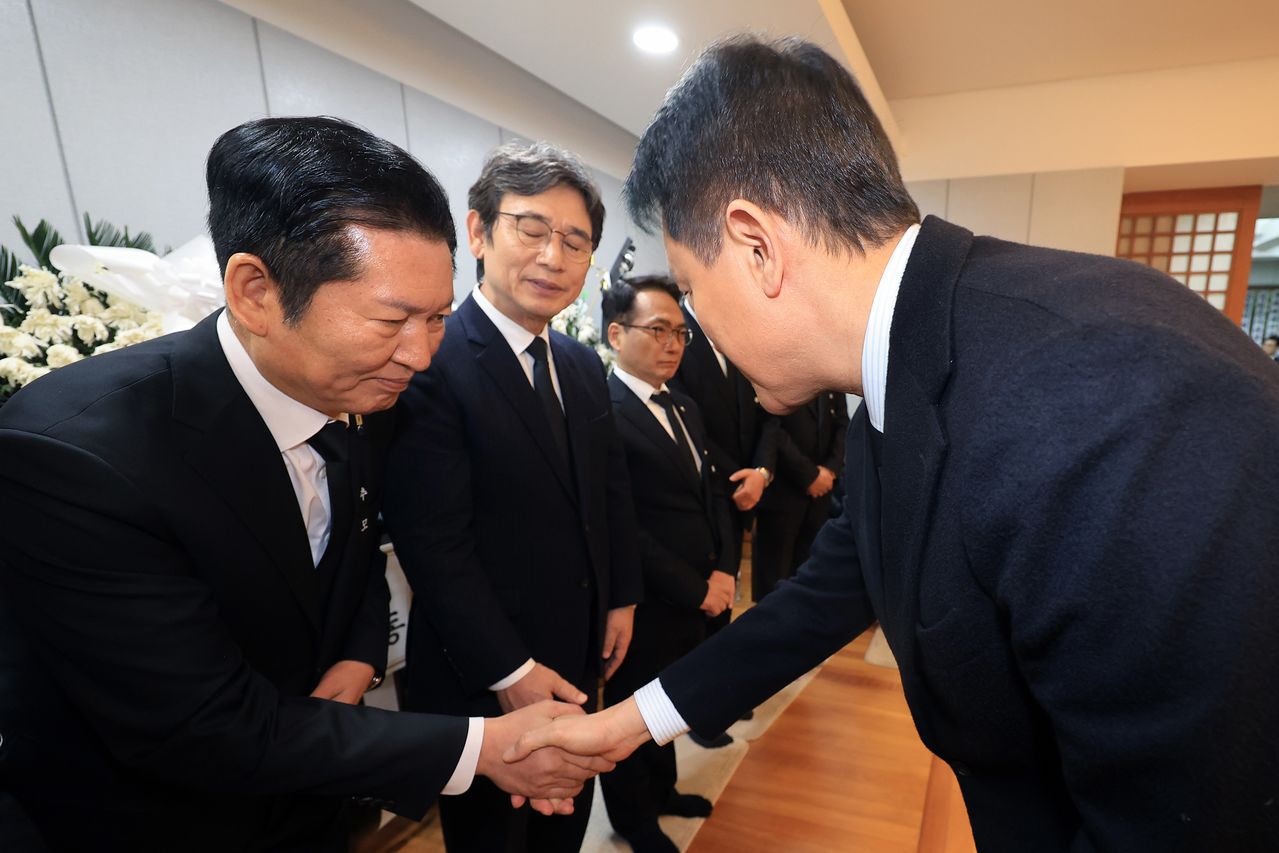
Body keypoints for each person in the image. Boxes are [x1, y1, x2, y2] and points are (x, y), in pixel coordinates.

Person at [505, 36, 1279, 852]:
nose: (696, 333)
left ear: (756, 245)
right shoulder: (901, 371)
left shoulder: (1104, 386)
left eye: (693, 293)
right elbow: (829, 591)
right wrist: (628, 722)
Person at [0, 117, 609, 853]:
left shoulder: (360, 397)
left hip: (307, 806)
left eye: (438, 319)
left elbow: (354, 561)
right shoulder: (76, 455)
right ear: (255, 290)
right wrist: (484, 747)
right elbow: (202, 724)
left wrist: (355, 656)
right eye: (391, 319)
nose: (419, 355)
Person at [381, 140, 642, 853]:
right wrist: (510, 671)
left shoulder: (585, 365)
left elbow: (609, 489)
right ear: (476, 232)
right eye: (530, 229)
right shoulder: (429, 361)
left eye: (575, 240)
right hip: (482, 672)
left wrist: (621, 594)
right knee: (495, 839)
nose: (552, 257)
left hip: (581, 650)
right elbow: (432, 542)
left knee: (563, 828)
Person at [598, 275, 735, 852]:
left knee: (670, 704)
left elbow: (713, 494)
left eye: (680, 333)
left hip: (701, 592)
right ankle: (635, 821)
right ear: (615, 334)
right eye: (658, 330)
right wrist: (692, 587)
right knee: (634, 714)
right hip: (648, 600)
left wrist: (726, 568)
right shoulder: (603, 411)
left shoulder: (683, 404)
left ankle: (665, 791)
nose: (674, 344)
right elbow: (623, 524)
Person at [750, 392, 847, 601]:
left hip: (821, 493)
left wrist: (830, 470)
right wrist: (810, 475)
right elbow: (772, 426)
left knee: (808, 576)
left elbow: (841, 422)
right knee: (773, 584)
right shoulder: (779, 365)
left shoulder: (829, 367)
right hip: (783, 491)